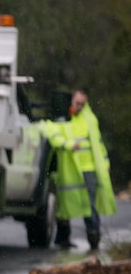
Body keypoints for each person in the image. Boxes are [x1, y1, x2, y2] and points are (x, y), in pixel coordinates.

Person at [42, 90, 115, 251]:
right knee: (64, 205)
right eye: (77, 103)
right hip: (67, 170)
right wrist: (68, 145)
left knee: (89, 204)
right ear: (71, 102)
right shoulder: (61, 119)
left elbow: (98, 145)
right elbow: (54, 135)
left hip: (87, 168)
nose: (80, 107)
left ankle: (93, 236)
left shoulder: (89, 120)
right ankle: (63, 238)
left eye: (83, 104)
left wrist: (105, 164)